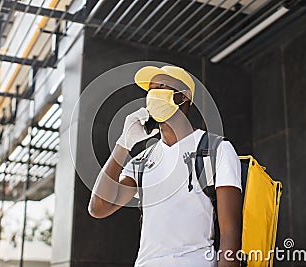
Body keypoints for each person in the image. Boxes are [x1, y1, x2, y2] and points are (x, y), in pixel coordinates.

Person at [88, 65, 242, 267]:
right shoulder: (142, 161)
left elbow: (230, 232)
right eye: (151, 89)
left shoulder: (217, 149)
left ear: (184, 96)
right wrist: (123, 144)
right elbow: (99, 208)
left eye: (162, 86)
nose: (153, 94)